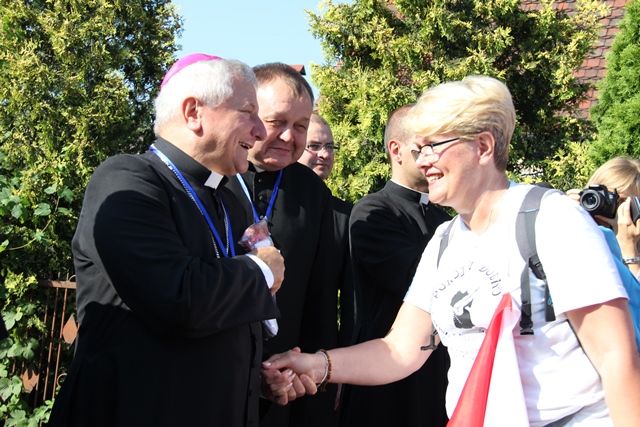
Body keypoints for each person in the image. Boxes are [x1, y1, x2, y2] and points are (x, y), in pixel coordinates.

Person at [263, 75, 640, 427]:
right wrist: (316, 365)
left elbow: (617, 358)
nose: (423, 159)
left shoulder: (553, 219)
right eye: (419, 148)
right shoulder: (445, 241)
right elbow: (401, 350)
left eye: (434, 146)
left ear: (483, 147)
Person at [48, 54, 290, 427]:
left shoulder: (228, 201)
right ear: (193, 112)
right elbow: (178, 298)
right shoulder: (127, 180)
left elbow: (220, 323)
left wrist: (259, 379)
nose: (260, 132)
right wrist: (262, 270)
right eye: (248, 112)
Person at [224, 63, 341, 427]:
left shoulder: (313, 193)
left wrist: (318, 373)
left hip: (283, 382)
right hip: (212, 375)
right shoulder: (216, 177)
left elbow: (321, 298)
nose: (290, 137)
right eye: (277, 122)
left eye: (301, 126)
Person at [338, 104, 451, 427]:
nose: (433, 158)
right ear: (396, 150)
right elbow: (415, 279)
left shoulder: (443, 217)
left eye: (437, 148)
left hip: (438, 369)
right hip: (388, 373)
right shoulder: (373, 211)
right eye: (423, 148)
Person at [567, 157, 640, 279]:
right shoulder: (576, 232)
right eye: (604, 197)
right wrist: (568, 216)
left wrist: (629, 248)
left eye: (620, 202)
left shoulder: (633, 245)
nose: (607, 206)